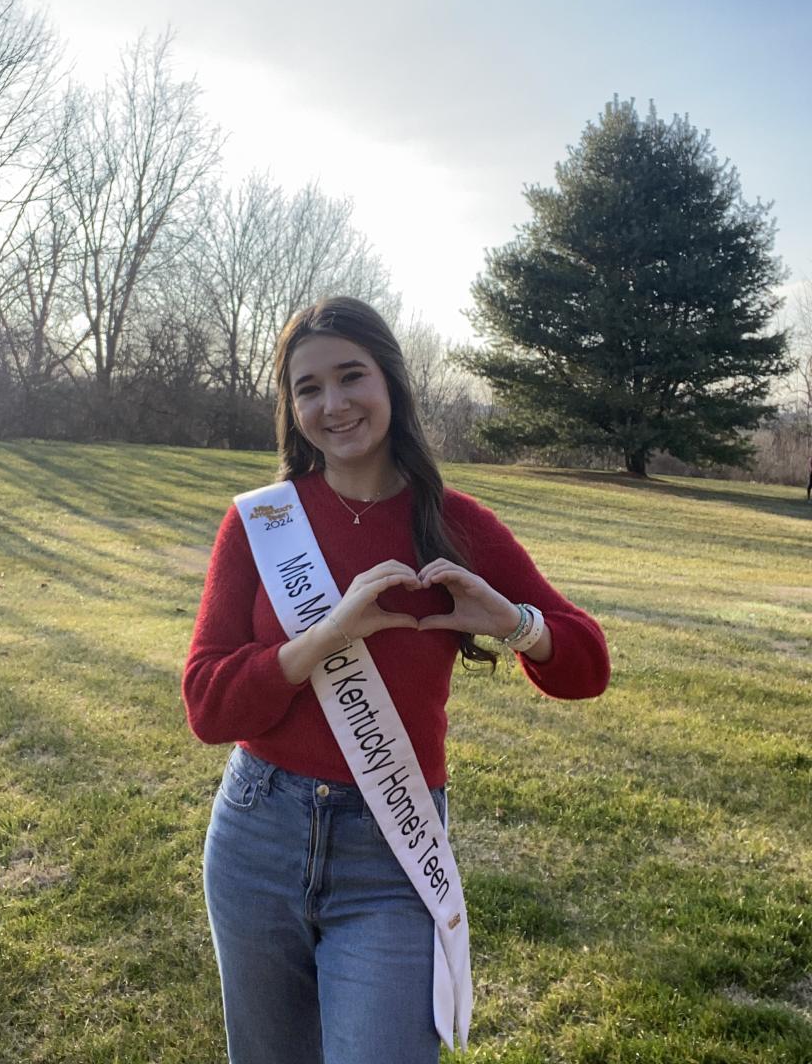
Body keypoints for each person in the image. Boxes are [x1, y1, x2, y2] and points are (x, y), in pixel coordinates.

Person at [182, 297, 610, 1064]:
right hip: (258, 834)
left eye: (352, 376)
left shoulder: (456, 524)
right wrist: (325, 638)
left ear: (391, 382)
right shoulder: (261, 523)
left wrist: (514, 622)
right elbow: (208, 706)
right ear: (291, 408)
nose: (334, 404)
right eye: (309, 388)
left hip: (391, 852)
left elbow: (588, 666)